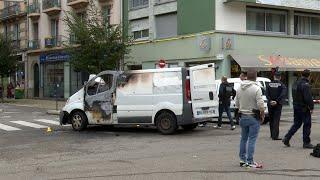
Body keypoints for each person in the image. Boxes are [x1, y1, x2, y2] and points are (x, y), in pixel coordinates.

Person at [235, 69, 264, 168]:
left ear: (247, 76)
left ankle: (242, 160)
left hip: (243, 116)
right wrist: (262, 114)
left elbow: (236, 104)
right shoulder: (256, 88)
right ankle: (250, 161)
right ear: (255, 77)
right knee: (252, 139)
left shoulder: (239, 88)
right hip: (253, 117)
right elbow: (260, 104)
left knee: (243, 139)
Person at [283, 69, 314, 149]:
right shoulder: (305, 84)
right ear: (309, 75)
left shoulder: (296, 83)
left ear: (302, 75)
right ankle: (306, 142)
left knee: (297, 124)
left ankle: (287, 137)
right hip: (303, 108)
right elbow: (308, 98)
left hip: (296, 106)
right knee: (307, 124)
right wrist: (311, 107)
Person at [265, 71, 287, 140]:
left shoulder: (269, 84)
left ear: (274, 77)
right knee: (276, 120)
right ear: (280, 77)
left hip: (270, 104)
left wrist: (270, 100)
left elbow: (266, 94)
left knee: (271, 119)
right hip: (278, 104)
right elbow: (283, 94)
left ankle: (272, 134)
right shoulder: (282, 85)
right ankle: (275, 136)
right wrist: (276, 101)